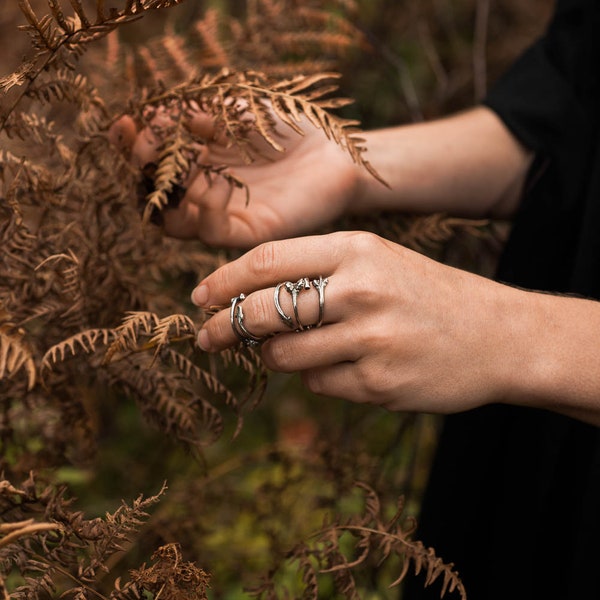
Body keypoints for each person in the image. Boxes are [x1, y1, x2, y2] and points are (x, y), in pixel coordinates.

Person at [114, 0, 600, 596]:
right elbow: (568, 119)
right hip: (520, 459)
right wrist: (342, 160)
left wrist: (513, 335)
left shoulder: (508, 344)